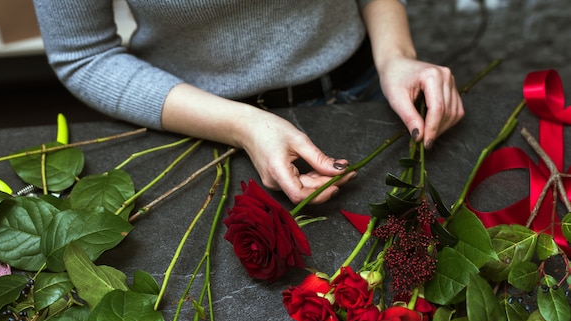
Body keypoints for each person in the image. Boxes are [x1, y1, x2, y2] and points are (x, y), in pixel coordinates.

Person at [32, 0, 464, 204]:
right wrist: (243, 126)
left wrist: (396, 57)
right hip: (200, 126)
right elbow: (83, 55)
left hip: (365, 89)